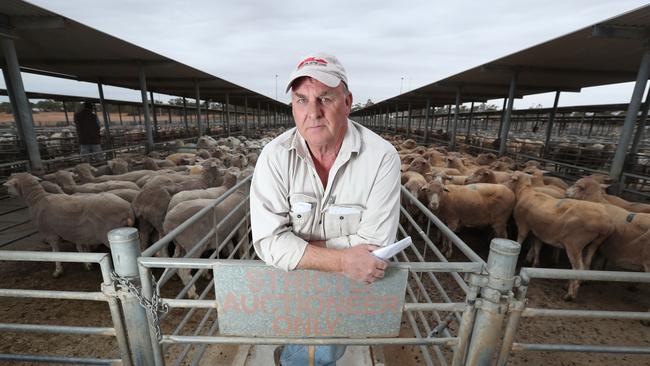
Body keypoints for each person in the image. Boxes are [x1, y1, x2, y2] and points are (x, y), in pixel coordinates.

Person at [250, 53, 401, 366]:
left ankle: (290, 358)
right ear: (292, 105)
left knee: (328, 348)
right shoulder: (274, 156)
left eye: (325, 98)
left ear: (347, 102)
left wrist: (295, 249)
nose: (313, 113)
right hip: (302, 283)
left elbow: (376, 243)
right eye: (301, 100)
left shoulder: (382, 158)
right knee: (300, 335)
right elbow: (267, 242)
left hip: (341, 286)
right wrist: (345, 259)